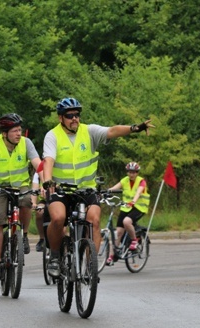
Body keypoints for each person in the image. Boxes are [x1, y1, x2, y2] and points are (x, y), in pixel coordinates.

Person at [41, 97, 154, 277]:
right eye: (70, 115)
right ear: (60, 118)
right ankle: (54, 256)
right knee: (58, 218)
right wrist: (47, 180)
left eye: (77, 115)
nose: (74, 119)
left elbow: (112, 131)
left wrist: (135, 128)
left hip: (86, 189)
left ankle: (89, 264)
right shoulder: (52, 135)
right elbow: (48, 161)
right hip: (61, 189)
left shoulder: (89, 131)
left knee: (94, 220)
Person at [0, 113, 41, 280]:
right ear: (4, 133)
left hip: (20, 186)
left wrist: (46, 179)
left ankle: (25, 235)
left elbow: (37, 163)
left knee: (27, 201)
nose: (18, 134)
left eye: (19, 130)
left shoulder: (26, 143)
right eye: (14, 131)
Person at [105, 161, 150, 264]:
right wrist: (105, 192)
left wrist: (133, 201)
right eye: (129, 172)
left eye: (134, 172)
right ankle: (112, 255)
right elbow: (114, 188)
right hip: (126, 207)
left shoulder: (141, 181)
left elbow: (138, 192)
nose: (131, 174)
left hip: (139, 207)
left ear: (137, 173)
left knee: (126, 222)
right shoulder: (124, 180)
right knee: (118, 233)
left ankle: (134, 240)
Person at [31, 162, 46, 252]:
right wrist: (33, 203)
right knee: (39, 212)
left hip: (58, 198)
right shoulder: (38, 172)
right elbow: (34, 190)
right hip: (44, 200)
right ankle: (42, 238)